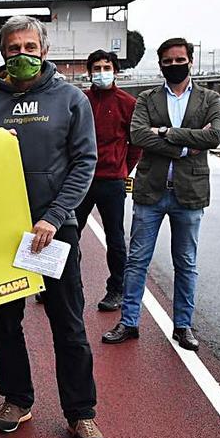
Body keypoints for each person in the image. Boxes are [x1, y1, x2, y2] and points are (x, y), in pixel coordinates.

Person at [0, 16, 103, 438]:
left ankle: (81, 413)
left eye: (29, 46)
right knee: (6, 322)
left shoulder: (71, 99)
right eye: (13, 48)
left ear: (43, 50)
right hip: (4, 234)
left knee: (68, 324)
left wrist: (54, 215)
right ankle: (16, 399)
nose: (21, 54)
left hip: (53, 232)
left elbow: (85, 163)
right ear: (3, 53)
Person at [102, 38, 220, 352]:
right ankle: (129, 322)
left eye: (179, 60)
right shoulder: (147, 99)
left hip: (190, 193)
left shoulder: (210, 98)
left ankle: (183, 326)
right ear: (160, 64)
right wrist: (187, 145)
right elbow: (138, 134)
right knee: (137, 261)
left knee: (186, 263)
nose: (174, 65)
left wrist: (167, 133)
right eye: (167, 61)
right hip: (150, 192)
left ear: (190, 61)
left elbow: (215, 136)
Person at [75, 50, 142, 312]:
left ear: (115, 70)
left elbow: (136, 144)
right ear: (89, 72)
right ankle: (64, 284)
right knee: (68, 233)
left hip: (112, 181)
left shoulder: (128, 103)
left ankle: (116, 289)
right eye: (97, 68)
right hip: (82, 179)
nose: (101, 72)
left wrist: (124, 169)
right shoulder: (80, 100)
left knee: (115, 238)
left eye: (106, 67)